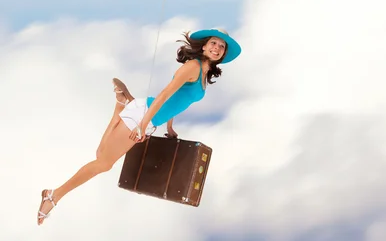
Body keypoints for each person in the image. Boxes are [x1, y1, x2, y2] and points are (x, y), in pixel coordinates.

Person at [37, 28, 242, 225]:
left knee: (101, 154)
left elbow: (178, 101)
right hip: (143, 116)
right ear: (204, 46)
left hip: (146, 115)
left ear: (223, 54)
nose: (216, 47)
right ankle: (53, 195)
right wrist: (142, 126)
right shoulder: (194, 67)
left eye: (221, 46)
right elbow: (164, 95)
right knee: (103, 163)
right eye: (213, 43)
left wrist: (169, 127)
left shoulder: (204, 74)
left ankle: (122, 105)